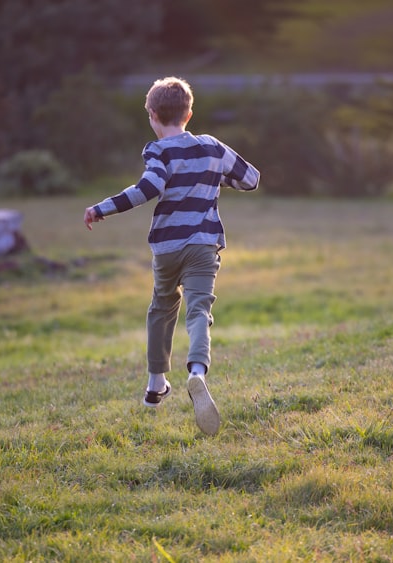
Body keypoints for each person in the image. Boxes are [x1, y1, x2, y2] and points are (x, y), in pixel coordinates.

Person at [83, 76, 260, 436]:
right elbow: (251, 179)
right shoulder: (212, 147)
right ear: (189, 113)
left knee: (162, 307)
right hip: (203, 244)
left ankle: (155, 385)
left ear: (152, 115)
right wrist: (212, 178)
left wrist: (103, 208)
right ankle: (196, 371)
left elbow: (148, 188)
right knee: (199, 310)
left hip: (167, 247)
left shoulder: (158, 151)